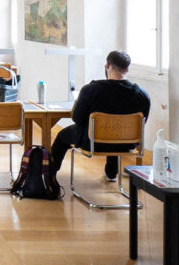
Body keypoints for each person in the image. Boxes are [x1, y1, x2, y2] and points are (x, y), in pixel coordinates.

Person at [50, 49, 150, 180]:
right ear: (127, 69)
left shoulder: (91, 90)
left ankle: (49, 175)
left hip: (92, 142)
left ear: (107, 65)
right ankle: (111, 173)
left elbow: (77, 118)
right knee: (115, 132)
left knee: (62, 136)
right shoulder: (142, 95)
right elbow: (142, 123)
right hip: (126, 143)